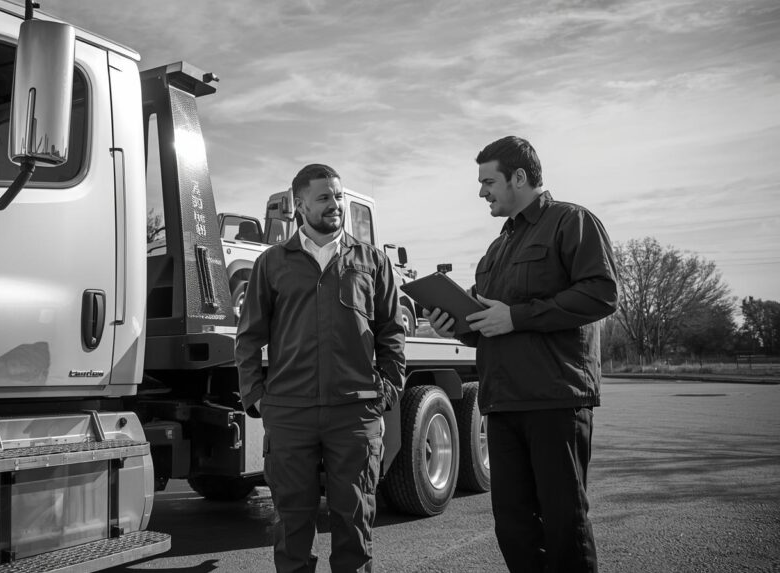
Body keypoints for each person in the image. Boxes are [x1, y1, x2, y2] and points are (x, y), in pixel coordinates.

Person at [426, 136, 617, 573]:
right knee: (512, 527)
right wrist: (456, 325)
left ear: (519, 177)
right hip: (503, 401)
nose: (481, 192)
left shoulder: (571, 221)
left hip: (555, 399)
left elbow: (602, 294)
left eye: (488, 181)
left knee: (564, 523)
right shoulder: (495, 250)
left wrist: (517, 317)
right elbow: (489, 324)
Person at [235, 164, 405, 573]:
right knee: (293, 523)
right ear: (300, 204)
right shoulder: (273, 263)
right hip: (291, 413)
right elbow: (248, 337)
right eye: (325, 197)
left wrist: (386, 390)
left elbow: (392, 333)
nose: (336, 205)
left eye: (339, 196)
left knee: (355, 520)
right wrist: (256, 397)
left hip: (355, 411)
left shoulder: (372, 262)